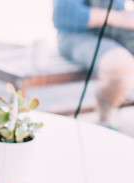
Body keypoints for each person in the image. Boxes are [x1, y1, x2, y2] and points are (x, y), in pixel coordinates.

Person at [53, 0, 134, 128]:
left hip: (119, 33)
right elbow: (63, 15)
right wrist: (120, 18)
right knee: (120, 67)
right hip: (78, 34)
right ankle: (105, 120)